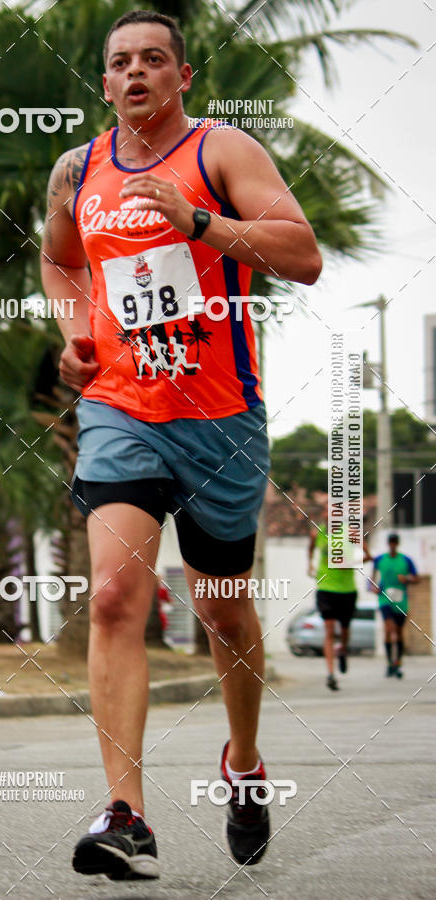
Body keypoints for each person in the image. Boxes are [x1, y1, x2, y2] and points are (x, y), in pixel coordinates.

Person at [41, 9, 321, 880]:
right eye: (121, 62)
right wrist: (75, 329)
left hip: (221, 420)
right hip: (120, 410)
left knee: (223, 613)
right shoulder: (75, 170)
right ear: (104, 82)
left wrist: (200, 225)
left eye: (153, 60)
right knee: (119, 596)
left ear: (182, 77)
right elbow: (61, 261)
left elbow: (303, 255)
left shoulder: (222, 153)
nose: (136, 74)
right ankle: (125, 814)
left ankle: (243, 762)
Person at [308, 508, 371, 691]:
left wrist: (350, 563)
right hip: (326, 588)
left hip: (346, 590)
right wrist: (309, 565)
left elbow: (368, 555)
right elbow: (311, 549)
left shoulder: (350, 533)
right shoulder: (317, 534)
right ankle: (330, 674)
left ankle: (342, 648)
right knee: (328, 630)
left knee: (344, 630)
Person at [372, 533, 419, 678]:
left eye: (394, 542)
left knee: (398, 632)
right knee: (389, 629)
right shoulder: (380, 559)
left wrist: (407, 579)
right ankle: (389, 662)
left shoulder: (406, 560)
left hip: (401, 600)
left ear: (397, 544)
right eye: (390, 542)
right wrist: (374, 587)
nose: (392, 545)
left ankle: (397, 662)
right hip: (385, 599)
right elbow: (373, 577)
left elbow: (416, 578)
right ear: (388, 544)